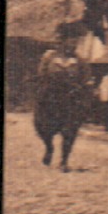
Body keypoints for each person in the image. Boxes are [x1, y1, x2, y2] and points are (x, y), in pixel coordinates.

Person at [33, 21, 91, 171]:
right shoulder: (49, 57)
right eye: (71, 41)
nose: (73, 45)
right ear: (62, 41)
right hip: (51, 98)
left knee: (70, 130)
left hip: (70, 99)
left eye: (76, 41)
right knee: (44, 128)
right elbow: (41, 75)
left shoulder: (80, 61)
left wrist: (82, 94)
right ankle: (49, 147)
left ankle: (64, 161)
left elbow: (85, 80)